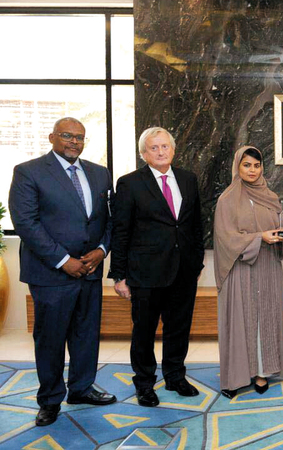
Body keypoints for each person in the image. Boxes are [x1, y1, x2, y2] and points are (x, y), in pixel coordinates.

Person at [9, 117, 116, 427]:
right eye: (67, 135)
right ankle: (50, 399)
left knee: (86, 334)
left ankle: (82, 388)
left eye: (80, 137)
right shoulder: (29, 172)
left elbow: (110, 219)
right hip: (51, 274)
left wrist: (102, 250)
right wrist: (63, 260)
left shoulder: (99, 173)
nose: (74, 142)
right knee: (51, 339)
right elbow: (26, 222)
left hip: (90, 270)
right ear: (52, 137)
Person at [109, 127, 205, 407]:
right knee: (144, 332)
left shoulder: (188, 179)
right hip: (145, 272)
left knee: (179, 328)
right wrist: (119, 275)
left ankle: (175, 377)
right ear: (143, 153)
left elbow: (196, 224)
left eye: (165, 146)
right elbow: (121, 231)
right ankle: (144, 383)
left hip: (183, 271)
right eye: (154, 148)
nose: (161, 152)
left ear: (173, 150)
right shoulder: (129, 183)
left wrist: (197, 260)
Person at [213, 146, 283, 398]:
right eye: (246, 165)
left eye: (257, 166)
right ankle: (236, 376)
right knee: (242, 319)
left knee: (265, 318)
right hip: (241, 268)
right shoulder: (227, 199)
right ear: (237, 166)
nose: (252, 170)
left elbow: (277, 226)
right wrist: (260, 237)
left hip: (267, 266)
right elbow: (225, 237)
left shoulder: (270, 196)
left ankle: (262, 372)